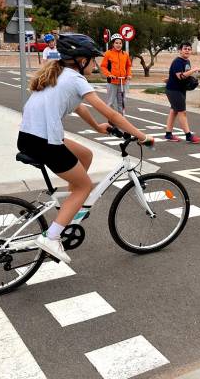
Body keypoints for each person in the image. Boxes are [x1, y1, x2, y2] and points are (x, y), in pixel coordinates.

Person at [18, 34, 154, 263]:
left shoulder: (58, 73)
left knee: (85, 155)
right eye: (93, 60)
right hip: (45, 142)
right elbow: (110, 112)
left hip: (29, 137)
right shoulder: (76, 79)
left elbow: (79, 107)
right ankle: (52, 237)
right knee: (84, 187)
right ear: (80, 60)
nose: (96, 64)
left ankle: (66, 210)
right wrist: (141, 136)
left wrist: (98, 128)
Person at [163, 42, 200, 144]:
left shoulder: (187, 61)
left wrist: (170, 78)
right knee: (182, 112)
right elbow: (181, 76)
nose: (187, 51)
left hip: (179, 89)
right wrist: (193, 70)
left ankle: (168, 134)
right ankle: (188, 136)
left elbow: (182, 75)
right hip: (174, 90)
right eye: (185, 49)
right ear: (180, 50)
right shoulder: (177, 62)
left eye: (189, 49)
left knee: (174, 111)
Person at [100, 34, 132, 115]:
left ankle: (121, 119)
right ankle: (111, 120)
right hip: (112, 82)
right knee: (111, 102)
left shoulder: (125, 54)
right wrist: (109, 74)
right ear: (113, 44)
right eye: (116, 43)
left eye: (120, 43)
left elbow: (128, 66)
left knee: (121, 102)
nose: (118, 45)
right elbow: (103, 66)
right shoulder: (108, 53)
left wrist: (128, 75)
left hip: (122, 82)